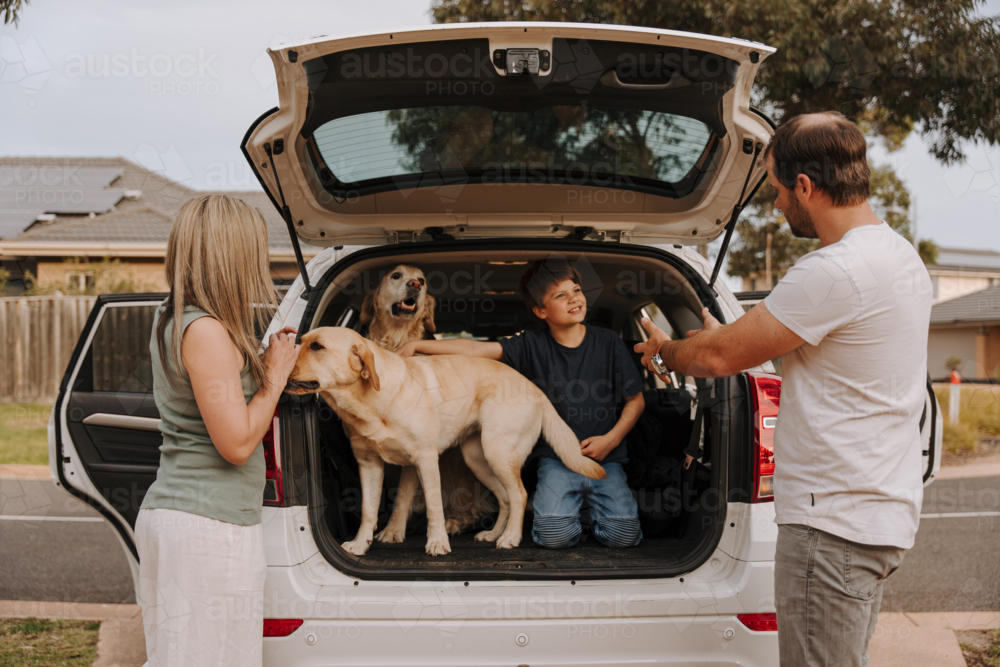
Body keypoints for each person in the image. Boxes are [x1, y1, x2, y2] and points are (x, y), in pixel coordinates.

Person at [635, 111, 932, 667]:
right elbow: (778, 341)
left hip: (831, 531)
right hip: (875, 516)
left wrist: (665, 351)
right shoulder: (897, 256)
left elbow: (721, 356)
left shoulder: (835, 272)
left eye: (775, 189)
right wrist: (727, 336)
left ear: (805, 185)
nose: (775, 204)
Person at [135, 194, 300, 667]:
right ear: (232, 255)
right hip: (206, 529)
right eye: (254, 250)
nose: (260, 262)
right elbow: (236, 443)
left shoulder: (176, 317)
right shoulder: (204, 331)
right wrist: (274, 375)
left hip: (187, 520)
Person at [397, 258, 645, 549]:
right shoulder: (530, 345)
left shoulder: (609, 342)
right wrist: (417, 345)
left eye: (576, 290)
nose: (574, 299)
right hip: (555, 461)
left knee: (624, 537)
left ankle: (588, 518)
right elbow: (474, 349)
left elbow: (636, 400)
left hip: (608, 460)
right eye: (560, 296)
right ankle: (569, 519)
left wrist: (611, 439)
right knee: (554, 538)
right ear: (541, 311)